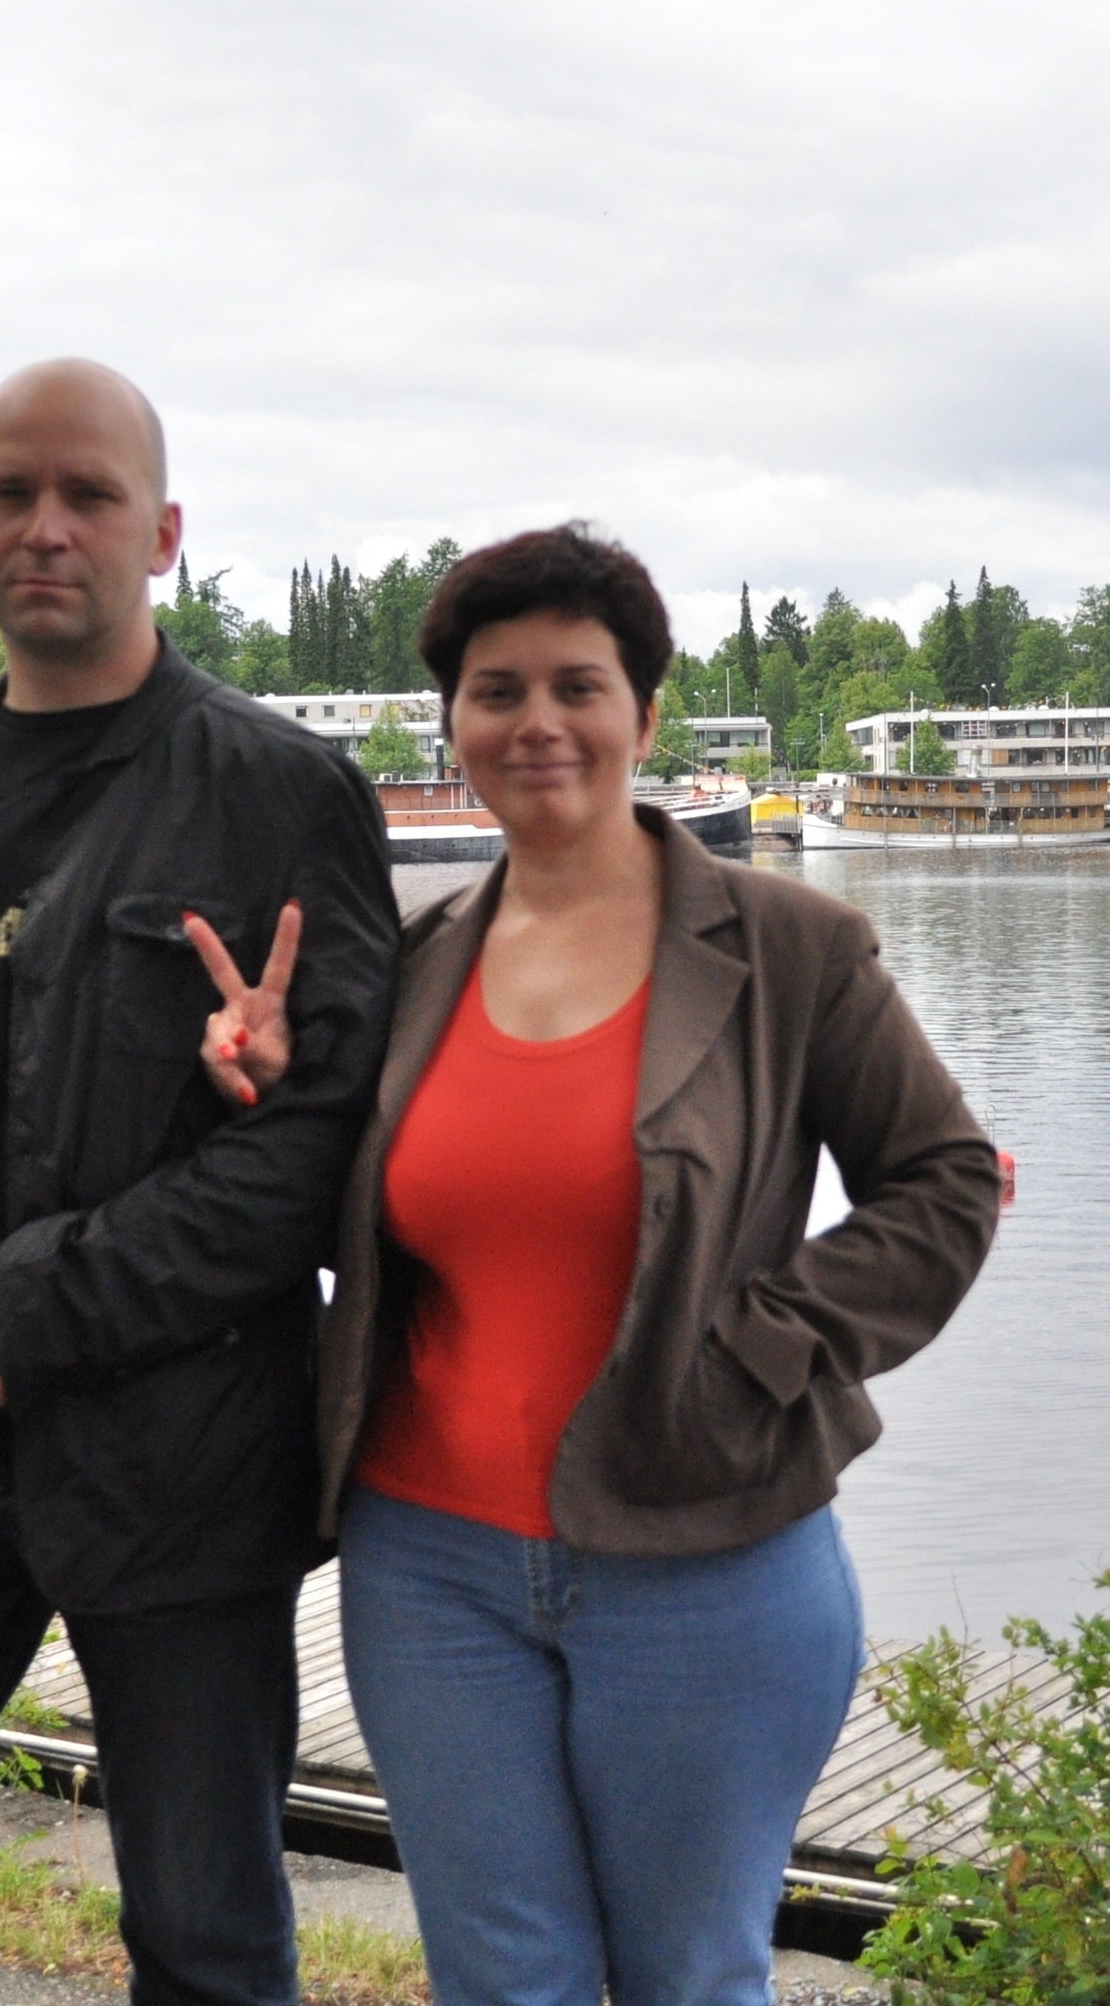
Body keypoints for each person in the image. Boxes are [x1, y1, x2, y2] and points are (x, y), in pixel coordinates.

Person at [191, 525, 1000, 2006]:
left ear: (645, 710)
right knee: (501, 1980)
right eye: (496, 690)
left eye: (579, 684)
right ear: (454, 720)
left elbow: (944, 1185)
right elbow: (362, 1233)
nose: (538, 723)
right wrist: (277, 1089)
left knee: (689, 1975)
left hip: (708, 1552)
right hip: (428, 1568)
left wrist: (757, 1354)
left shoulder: (791, 949)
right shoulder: (415, 961)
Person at [0, 357, 399, 2006]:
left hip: (181, 1468)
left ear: (162, 533)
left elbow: (315, 1148)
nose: (46, 527)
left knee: (208, 1946)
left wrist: (31, 1299)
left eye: (89, 495)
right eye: (9, 492)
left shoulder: (281, 795)